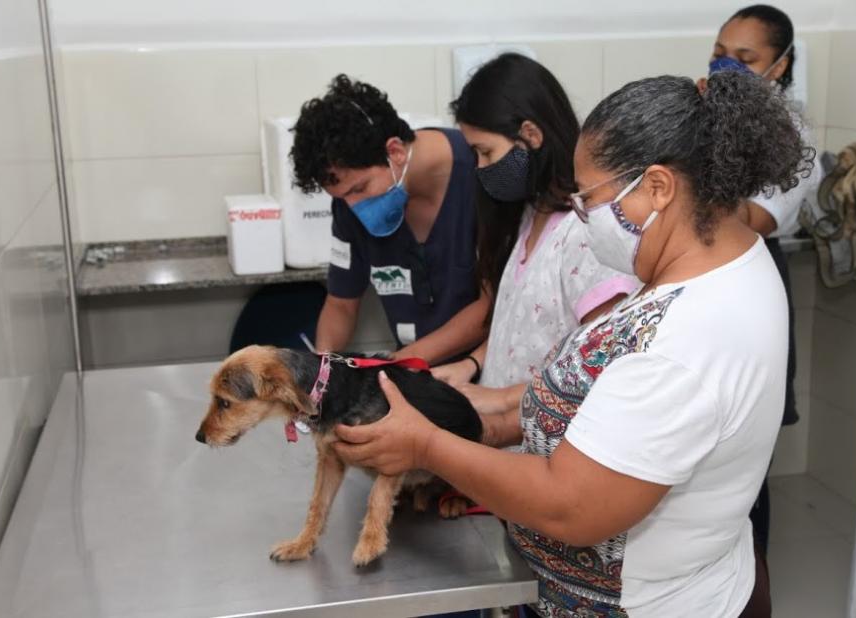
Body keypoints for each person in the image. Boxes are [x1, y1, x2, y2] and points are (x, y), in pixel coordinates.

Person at [332, 70, 813, 617]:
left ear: (657, 187)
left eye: (592, 199)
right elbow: (600, 395)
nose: (583, 216)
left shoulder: (685, 339)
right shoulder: (722, 261)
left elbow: (571, 508)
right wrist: (476, 409)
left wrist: (425, 446)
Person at [432, 53, 636, 417]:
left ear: (531, 135)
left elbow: (601, 367)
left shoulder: (585, 233)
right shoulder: (529, 216)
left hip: (551, 448)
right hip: (507, 445)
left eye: (485, 152)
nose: (479, 167)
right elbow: (520, 327)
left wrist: (504, 399)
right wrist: (472, 365)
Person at [703, 3, 821, 554]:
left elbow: (753, 219)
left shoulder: (792, 137)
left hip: (750, 280)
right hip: (692, 276)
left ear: (781, 65)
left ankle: (750, 595)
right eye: (721, 55)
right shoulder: (699, 112)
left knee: (743, 464)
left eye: (746, 60)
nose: (729, 67)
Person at [291, 75, 488, 363]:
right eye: (342, 197)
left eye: (359, 188)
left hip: (486, 366)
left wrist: (402, 363)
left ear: (394, 151)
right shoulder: (348, 204)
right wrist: (323, 367)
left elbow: (493, 305)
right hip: (416, 370)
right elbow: (341, 304)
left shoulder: (480, 170)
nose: (353, 206)